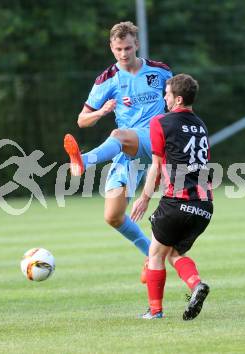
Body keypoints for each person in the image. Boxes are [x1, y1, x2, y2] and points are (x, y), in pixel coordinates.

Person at [63, 21, 172, 282]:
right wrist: (101, 112)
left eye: (128, 48)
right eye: (118, 49)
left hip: (154, 140)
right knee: (112, 216)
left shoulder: (160, 71)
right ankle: (151, 256)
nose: (124, 54)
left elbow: (176, 100)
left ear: (137, 45)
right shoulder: (107, 79)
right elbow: (81, 120)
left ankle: (86, 160)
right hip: (128, 151)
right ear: (111, 48)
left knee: (118, 135)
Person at [130, 73, 213, 320]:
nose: (163, 97)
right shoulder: (201, 125)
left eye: (166, 94)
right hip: (205, 206)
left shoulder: (160, 122)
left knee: (155, 254)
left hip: (177, 202)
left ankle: (155, 311)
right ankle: (196, 284)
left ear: (177, 99)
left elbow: (156, 167)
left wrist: (144, 197)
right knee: (174, 254)